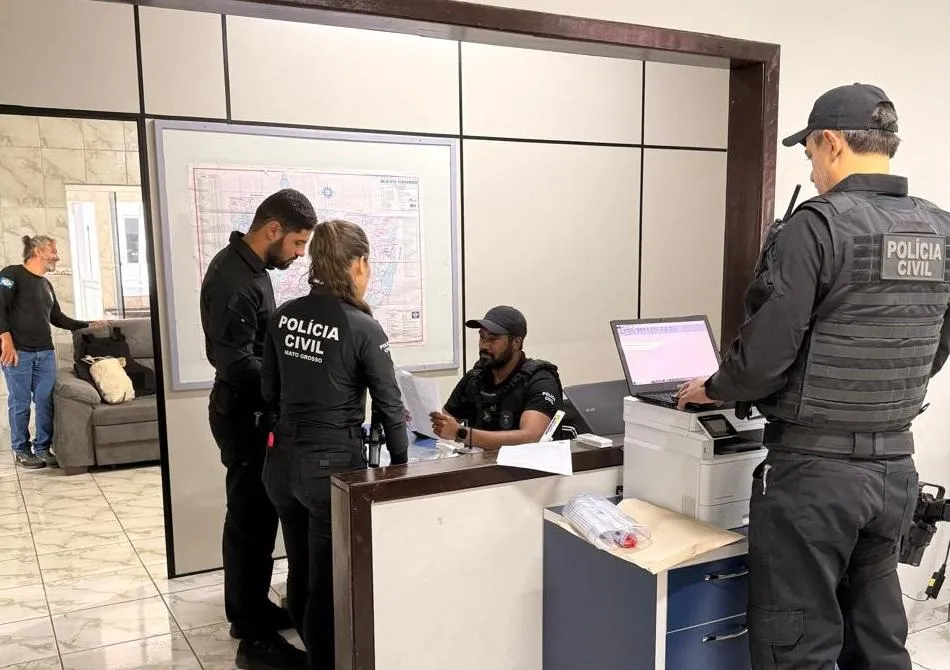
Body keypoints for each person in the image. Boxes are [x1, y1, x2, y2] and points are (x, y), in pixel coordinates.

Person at [676, 83, 950, 669]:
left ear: (831, 142)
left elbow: (766, 355)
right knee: (877, 637)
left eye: (809, 155)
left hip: (814, 474)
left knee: (796, 643)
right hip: (895, 471)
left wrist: (716, 388)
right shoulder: (940, 228)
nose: (812, 169)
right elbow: (936, 346)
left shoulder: (817, 226)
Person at [261, 219, 409, 670]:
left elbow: (269, 391)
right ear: (358, 263)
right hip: (328, 468)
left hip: (280, 462)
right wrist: (402, 467)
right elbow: (389, 405)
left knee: (301, 568)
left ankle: (313, 653)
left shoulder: (284, 315)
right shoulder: (363, 327)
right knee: (326, 586)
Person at [200, 189, 316, 670]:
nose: (300, 254)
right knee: (250, 521)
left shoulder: (251, 270)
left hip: (253, 412)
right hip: (242, 415)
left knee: (261, 515)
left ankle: (254, 609)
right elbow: (233, 362)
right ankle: (252, 635)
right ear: (273, 230)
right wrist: (288, 383)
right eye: (297, 243)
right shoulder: (235, 280)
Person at [0, 235, 104, 469]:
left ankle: (42, 448)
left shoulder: (46, 285)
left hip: (45, 353)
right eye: (53, 251)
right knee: (20, 402)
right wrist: (5, 341)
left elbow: (58, 318)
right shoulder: (10, 274)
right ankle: (21, 449)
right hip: (18, 353)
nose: (57, 256)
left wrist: (87, 324)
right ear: (38, 251)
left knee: (45, 401)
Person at [430, 305, 563, 450]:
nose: (484, 345)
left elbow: (531, 438)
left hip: (524, 464)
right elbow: (444, 422)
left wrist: (462, 433)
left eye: (492, 339)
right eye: (482, 337)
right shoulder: (475, 378)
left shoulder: (540, 380)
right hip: (479, 462)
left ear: (516, 343)